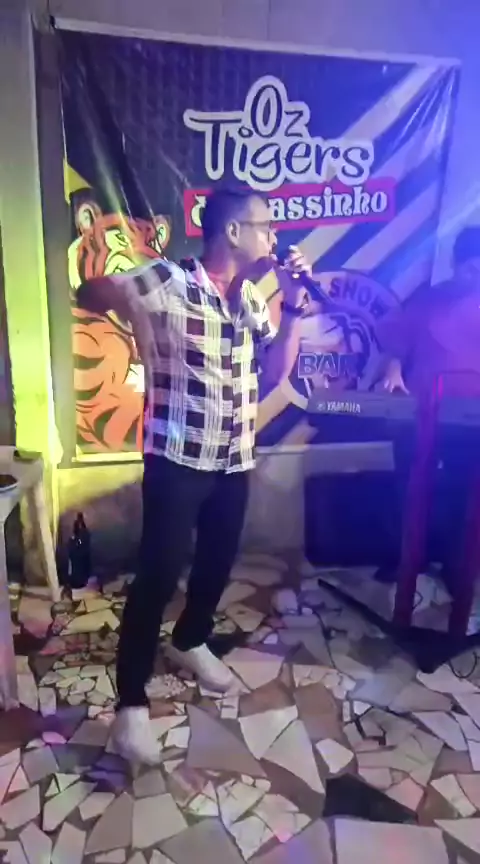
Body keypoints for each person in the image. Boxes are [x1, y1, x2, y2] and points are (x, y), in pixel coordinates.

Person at [76, 188, 310, 765]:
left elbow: (277, 370)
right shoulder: (167, 281)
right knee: (157, 577)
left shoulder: (249, 298)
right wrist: (117, 299)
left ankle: (189, 640)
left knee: (216, 563)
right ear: (232, 232)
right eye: (265, 226)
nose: (273, 237)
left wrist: (295, 305)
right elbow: (90, 293)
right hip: (177, 461)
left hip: (232, 458)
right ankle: (130, 711)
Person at [376, 226, 480, 584]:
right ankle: (406, 559)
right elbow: (397, 346)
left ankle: (457, 565)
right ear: (455, 263)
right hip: (420, 411)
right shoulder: (428, 300)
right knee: (407, 486)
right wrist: (393, 371)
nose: (476, 278)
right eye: (471, 269)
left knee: (466, 491)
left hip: (471, 420)